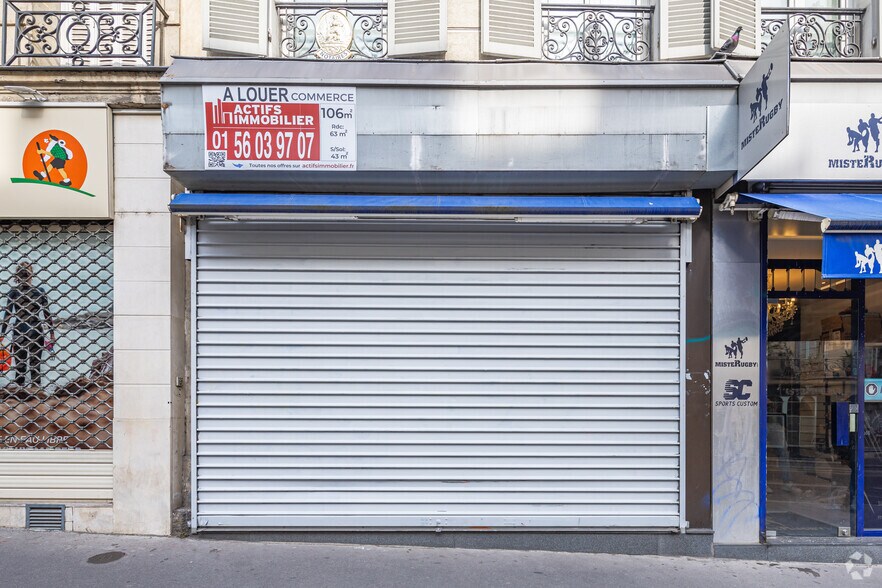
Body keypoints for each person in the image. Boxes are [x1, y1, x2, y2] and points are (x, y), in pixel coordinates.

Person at [0, 262, 54, 388]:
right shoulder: (40, 291)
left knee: (20, 369)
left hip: (19, 333)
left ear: (17, 275)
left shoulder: (13, 292)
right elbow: (47, 315)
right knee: (35, 368)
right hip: (36, 332)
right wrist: (52, 335)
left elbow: (7, 316)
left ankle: (20, 398)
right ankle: (37, 397)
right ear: (31, 275)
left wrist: (2, 335)